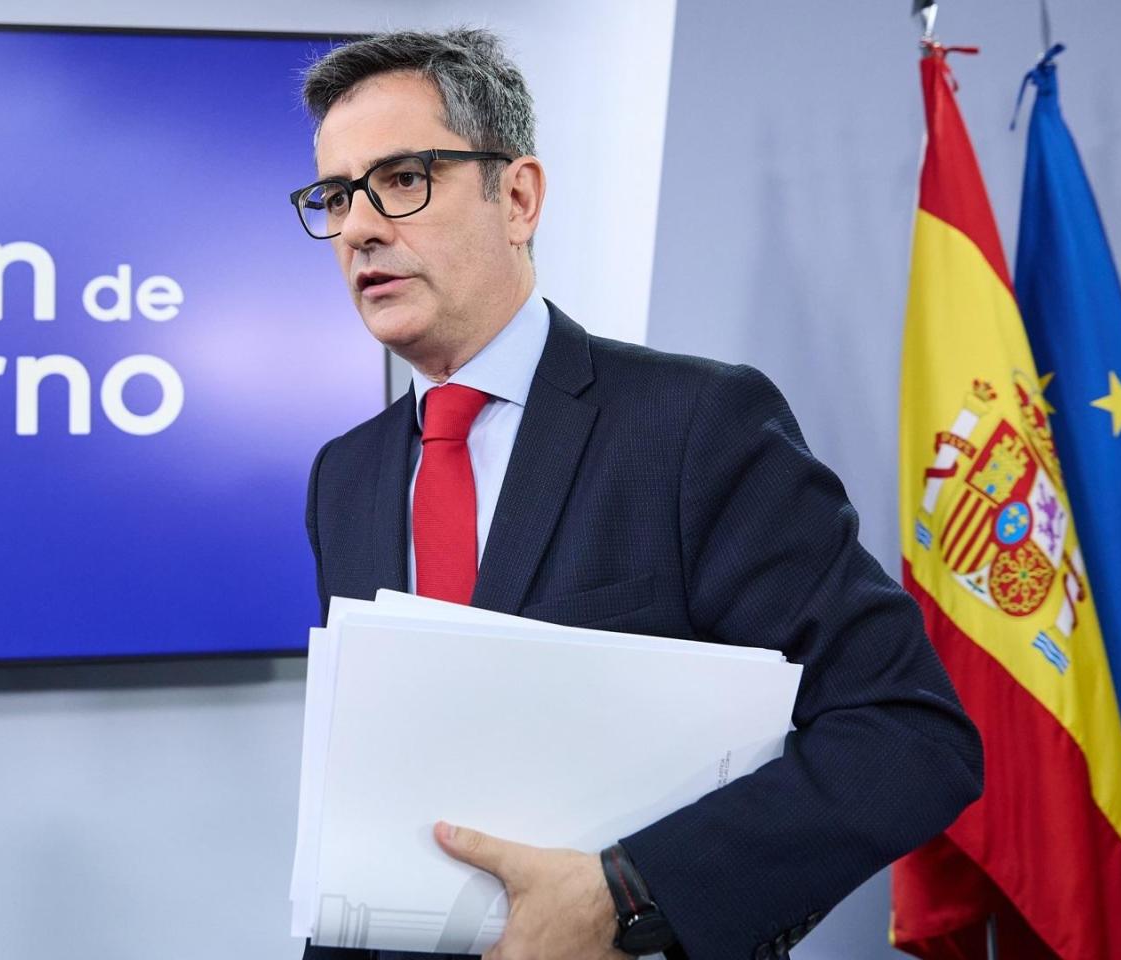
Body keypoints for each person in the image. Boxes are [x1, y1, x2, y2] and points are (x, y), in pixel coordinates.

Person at [293, 28, 983, 960]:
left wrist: (625, 894)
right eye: (336, 197)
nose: (359, 228)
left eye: (403, 179)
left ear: (518, 198)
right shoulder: (345, 477)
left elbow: (908, 738)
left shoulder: (698, 426)